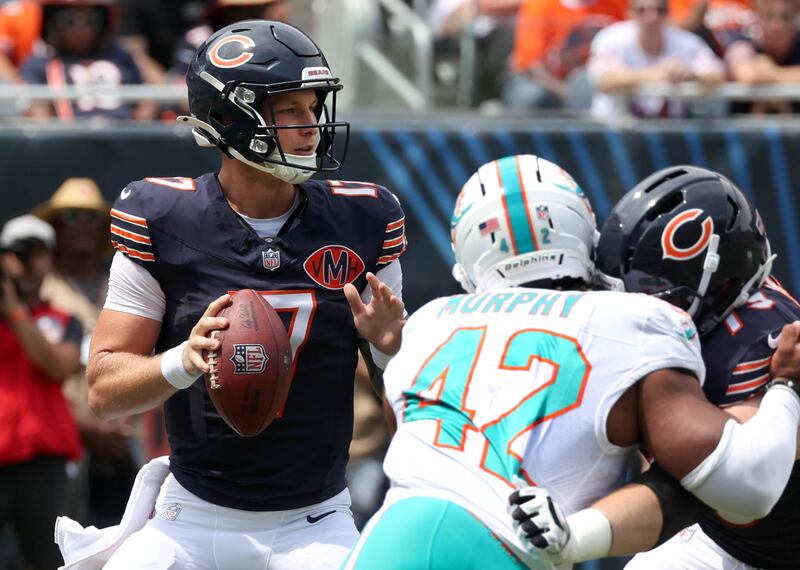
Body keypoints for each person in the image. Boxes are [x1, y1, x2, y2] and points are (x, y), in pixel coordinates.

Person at [58, 19, 406, 569]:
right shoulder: (166, 218)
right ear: (228, 118)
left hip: (314, 518)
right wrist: (182, 360)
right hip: (191, 516)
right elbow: (103, 389)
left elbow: (413, 414)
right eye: (287, 109)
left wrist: (391, 352)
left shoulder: (362, 220)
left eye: (312, 107)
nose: (309, 125)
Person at [342, 154, 800, 569]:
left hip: (390, 538)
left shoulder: (430, 322)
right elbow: (741, 483)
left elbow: (408, 435)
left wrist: (389, 354)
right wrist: (785, 388)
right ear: (586, 231)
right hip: (503, 549)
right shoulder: (634, 321)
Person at [588, 165, 800, 569]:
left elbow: (722, 482)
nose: (639, 309)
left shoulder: (759, 347)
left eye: (654, 294)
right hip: (722, 539)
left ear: (719, 281)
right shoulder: (713, 316)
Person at [33, 177, 142, 528]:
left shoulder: (128, 286)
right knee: (57, 539)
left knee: (134, 537)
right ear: (55, 227)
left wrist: (119, 424)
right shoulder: (38, 291)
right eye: (72, 216)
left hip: (124, 430)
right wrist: (83, 422)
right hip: (57, 433)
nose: (82, 225)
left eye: (92, 217)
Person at [0, 215, 83, 570]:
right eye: (19, 253)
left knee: (50, 561)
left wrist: (15, 313)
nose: (28, 264)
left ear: (50, 258)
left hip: (44, 465)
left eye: (37, 253)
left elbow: (58, 366)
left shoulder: (66, 319)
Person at [19, 0, 156, 121]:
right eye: (69, 20)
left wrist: (139, 127)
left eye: (91, 20)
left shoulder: (121, 57)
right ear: (54, 24)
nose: (80, 29)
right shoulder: (41, 63)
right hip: (70, 140)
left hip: (123, 136)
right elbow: (38, 115)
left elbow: (147, 96)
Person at [588, 0, 725, 118]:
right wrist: (659, 75)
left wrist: (689, 75)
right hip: (617, 135)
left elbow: (717, 75)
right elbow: (605, 80)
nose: (651, 17)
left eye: (659, 10)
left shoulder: (687, 42)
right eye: (642, 10)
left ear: (667, 14)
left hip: (669, 137)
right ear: (630, 13)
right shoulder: (611, 39)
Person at [725, 0, 800, 114]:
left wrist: (774, 73)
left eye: (785, 17)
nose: (777, 25)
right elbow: (747, 75)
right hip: (746, 129)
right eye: (770, 16)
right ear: (758, 17)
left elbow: (759, 75)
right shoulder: (742, 42)